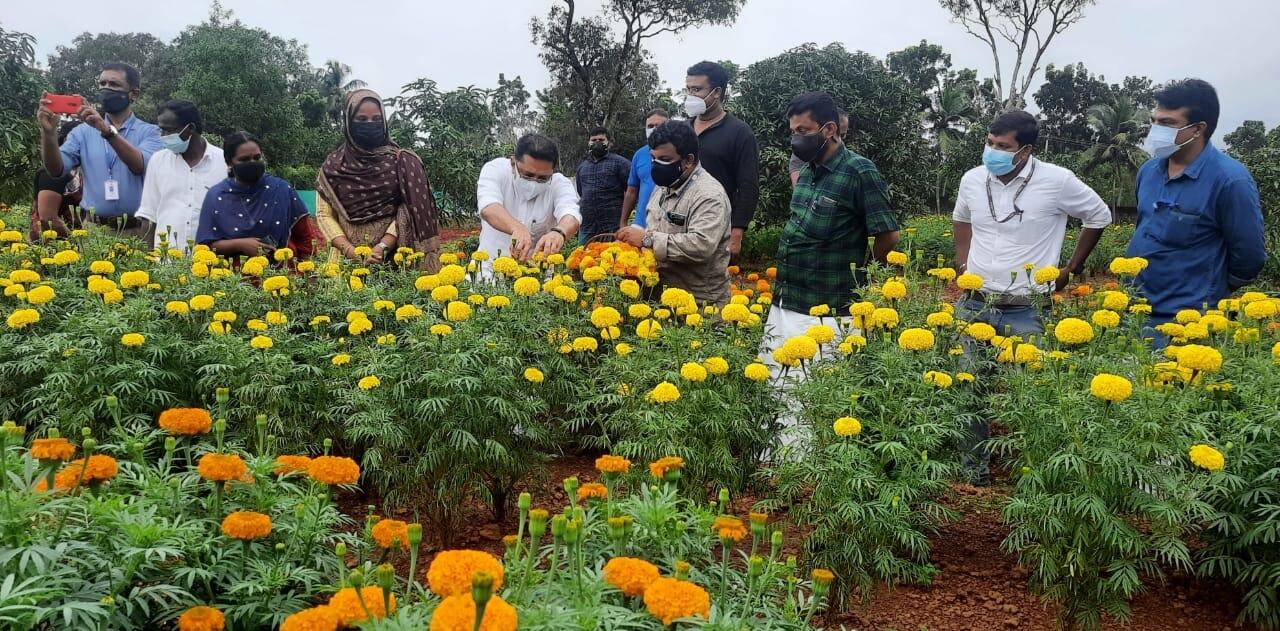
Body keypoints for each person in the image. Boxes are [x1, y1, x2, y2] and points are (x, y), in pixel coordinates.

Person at [951, 110, 1112, 486]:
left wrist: (1070, 268)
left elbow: (1098, 215)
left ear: (1024, 151)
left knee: (1033, 392)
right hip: (974, 300)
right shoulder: (973, 179)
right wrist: (961, 262)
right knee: (967, 385)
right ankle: (973, 473)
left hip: (1027, 305)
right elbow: (961, 218)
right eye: (989, 143)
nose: (992, 151)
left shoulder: (1057, 181)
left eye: (1002, 146)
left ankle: (1035, 474)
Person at [761, 93, 901, 453]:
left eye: (804, 130)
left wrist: (865, 275)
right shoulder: (807, 173)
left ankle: (814, 478)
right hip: (786, 300)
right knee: (777, 389)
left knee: (816, 397)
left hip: (829, 309)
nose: (796, 139)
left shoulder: (859, 171)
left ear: (830, 129)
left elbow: (888, 234)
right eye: (792, 131)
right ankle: (776, 468)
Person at [1126, 79, 1266, 331]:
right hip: (1135, 311)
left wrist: (1212, 290)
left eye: (1167, 123)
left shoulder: (1230, 180)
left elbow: (1250, 256)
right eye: (1154, 121)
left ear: (1198, 129)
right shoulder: (1149, 171)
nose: (1156, 129)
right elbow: (1144, 225)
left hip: (1188, 322)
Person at [316, 89, 442, 269]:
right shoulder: (332, 166)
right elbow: (324, 214)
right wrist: (351, 251)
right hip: (344, 264)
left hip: (394, 261)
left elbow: (408, 211)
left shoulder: (400, 162)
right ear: (348, 122)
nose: (369, 124)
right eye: (361, 119)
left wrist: (383, 245)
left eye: (376, 119)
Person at [35, 62, 162, 238]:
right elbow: (56, 169)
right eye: (102, 84)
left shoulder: (150, 132)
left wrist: (106, 131)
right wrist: (48, 134)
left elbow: (139, 164)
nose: (106, 89)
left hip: (139, 230)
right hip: (96, 230)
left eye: (114, 84)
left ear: (133, 94)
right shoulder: (82, 132)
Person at [616, 120, 731, 306]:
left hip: (699, 304)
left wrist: (648, 240)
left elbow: (702, 244)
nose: (657, 166)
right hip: (662, 296)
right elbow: (652, 224)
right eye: (653, 158)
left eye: (665, 160)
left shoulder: (709, 195)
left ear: (688, 160)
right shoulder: (664, 186)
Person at [197, 132, 321, 259]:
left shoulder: (281, 189)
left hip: (282, 274)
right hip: (232, 276)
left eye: (257, 158)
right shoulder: (217, 196)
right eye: (244, 159)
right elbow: (205, 247)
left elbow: (305, 239)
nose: (252, 163)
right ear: (230, 163)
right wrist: (239, 245)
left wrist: (308, 273)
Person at [684, 61, 759, 260]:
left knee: (710, 288)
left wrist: (737, 232)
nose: (691, 95)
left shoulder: (739, 132)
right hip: (678, 227)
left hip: (716, 229)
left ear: (717, 92)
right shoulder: (683, 130)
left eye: (697, 89)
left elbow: (748, 185)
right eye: (689, 89)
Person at [475, 133, 581, 267]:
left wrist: (559, 232)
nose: (534, 182)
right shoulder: (496, 170)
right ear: (513, 163)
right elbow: (488, 207)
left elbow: (571, 214)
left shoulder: (559, 183)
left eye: (543, 178)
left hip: (538, 271)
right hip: (489, 268)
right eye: (528, 175)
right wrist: (516, 227)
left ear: (552, 172)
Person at [136, 101, 225, 253]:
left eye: (168, 131)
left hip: (211, 262)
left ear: (190, 128)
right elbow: (148, 216)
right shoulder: (158, 161)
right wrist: (148, 261)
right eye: (161, 130)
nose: (163, 136)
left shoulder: (223, 162)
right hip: (167, 263)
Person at [29, 120, 84, 240]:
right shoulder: (53, 173)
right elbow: (47, 217)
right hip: (52, 248)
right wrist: (75, 242)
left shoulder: (75, 170)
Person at [575, 126, 630, 242]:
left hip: (612, 226)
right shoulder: (582, 167)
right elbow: (581, 192)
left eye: (601, 140)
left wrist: (624, 222)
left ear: (609, 143)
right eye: (593, 140)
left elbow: (631, 192)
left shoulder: (621, 163)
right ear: (588, 142)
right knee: (583, 258)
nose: (597, 143)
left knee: (612, 258)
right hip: (587, 227)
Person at [620, 108, 671, 228]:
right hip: (640, 224)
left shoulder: (679, 154)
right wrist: (623, 222)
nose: (653, 129)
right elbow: (631, 191)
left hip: (666, 227)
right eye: (650, 126)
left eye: (658, 125)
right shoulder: (640, 154)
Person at [790, 110, 848, 187]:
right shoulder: (804, 150)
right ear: (829, 129)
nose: (837, 140)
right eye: (835, 134)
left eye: (842, 135)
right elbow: (799, 189)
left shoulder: (857, 168)